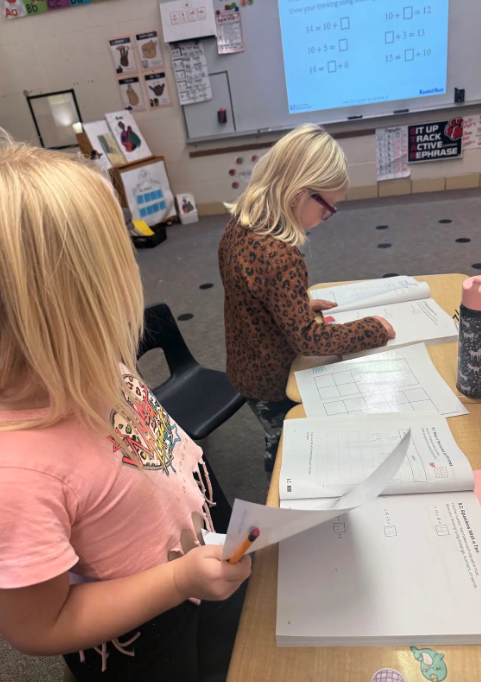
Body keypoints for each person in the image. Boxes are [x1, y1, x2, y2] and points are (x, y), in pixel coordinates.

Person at [0, 136, 250, 682]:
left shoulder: (91, 364)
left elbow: (151, 457)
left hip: (196, 562)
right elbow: (38, 626)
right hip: (144, 637)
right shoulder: (17, 473)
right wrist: (179, 582)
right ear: (74, 299)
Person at [219, 124, 395, 477]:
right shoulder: (281, 257)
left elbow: (250, 293)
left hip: (246, 364)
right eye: (328, 208)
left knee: (275, 431)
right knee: (286, 444)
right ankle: (280, 487)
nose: (326, 218)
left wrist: (293, 305)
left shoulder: (240, 223)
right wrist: (372, 330)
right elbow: (308, 340)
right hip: (274, 379)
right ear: (300, 194)